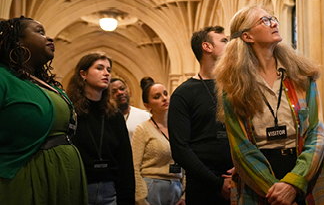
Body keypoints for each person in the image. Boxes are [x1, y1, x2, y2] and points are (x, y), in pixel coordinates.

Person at [214, 4, 324, 205]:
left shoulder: (301, 75)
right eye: (264, 21)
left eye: (272, 18)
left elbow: (316, 133)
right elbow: (241, 148)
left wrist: (293, 183)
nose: (274, 23)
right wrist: (275, 192)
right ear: (247, 37)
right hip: (260, 180)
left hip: (303, 172)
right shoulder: (233, 87)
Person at [0, 16, 87, 204]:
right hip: (26, 180)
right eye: (40, 32)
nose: (50, 38)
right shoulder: (3, 77)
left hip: (63, 178)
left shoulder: (40, 82)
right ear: (17, 40)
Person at [168, 26, 234, 205]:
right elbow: (180, 148)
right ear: (207, 47)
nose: (230, 45)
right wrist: (217, 183)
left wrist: (241, 169)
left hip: (239, 180)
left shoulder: (235, 88)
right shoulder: (183, 93)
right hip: (202, 187)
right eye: (224, 41)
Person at [67, 53, 135, 205]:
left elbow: (125, 161)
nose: (106, 73)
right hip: (78, 189)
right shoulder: (69, 112)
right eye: (99, 68)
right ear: (83, 74)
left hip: (110, 191)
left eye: (108, 70)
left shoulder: (114, 115)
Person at [132, 77, 185, 205]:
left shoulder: (180, 128)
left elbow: (187, 163)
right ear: (147, 105)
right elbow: (134, 166)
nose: (164, 98)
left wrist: (185, 194)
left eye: (166, 94)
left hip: (177, 188)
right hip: (152, 187)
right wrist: (140, 198)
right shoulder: (143, 129)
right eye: (157, 97)